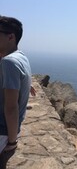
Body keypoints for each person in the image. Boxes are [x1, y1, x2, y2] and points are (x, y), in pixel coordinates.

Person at [0, 16, 30, 168]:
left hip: (2, 131)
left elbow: (11, 108)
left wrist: (12, 142)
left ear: (10, 36)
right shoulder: (20, 56)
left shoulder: (9, 62)